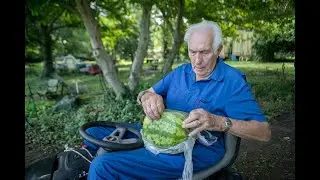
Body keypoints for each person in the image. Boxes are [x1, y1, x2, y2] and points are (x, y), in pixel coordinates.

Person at [83, 20, 271, 180]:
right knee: (93, 132)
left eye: (204, 52)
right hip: (159, 135)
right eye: (192, 52)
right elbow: (145, 93)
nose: (197, 61)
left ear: (218, 50)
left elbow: (263, 132)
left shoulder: (232, 81)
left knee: (103, 165)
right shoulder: (181, 72)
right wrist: (148, 97)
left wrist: (218, 122)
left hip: (195, 151)